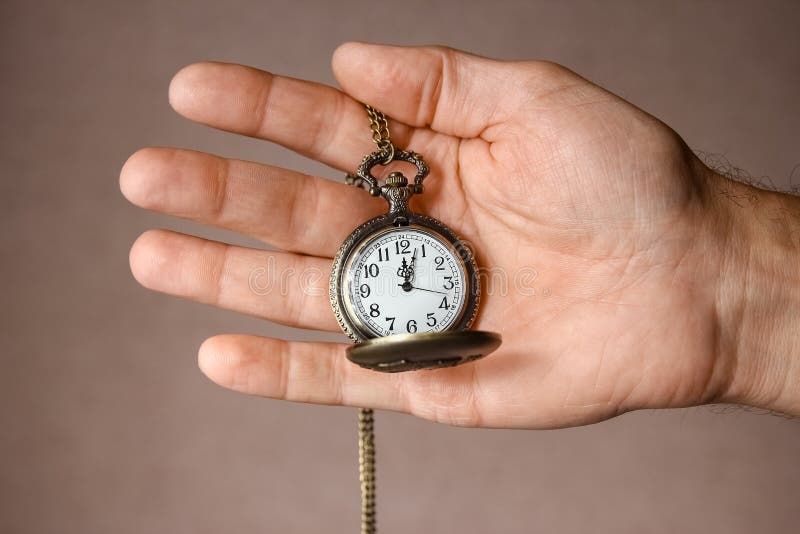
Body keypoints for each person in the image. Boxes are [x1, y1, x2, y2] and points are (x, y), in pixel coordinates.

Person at [119, 42, 799, 428]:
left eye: (419, 274)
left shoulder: (413, 250)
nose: (411, 278)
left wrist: (719, 257)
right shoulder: (392, 248)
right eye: (402, 276)